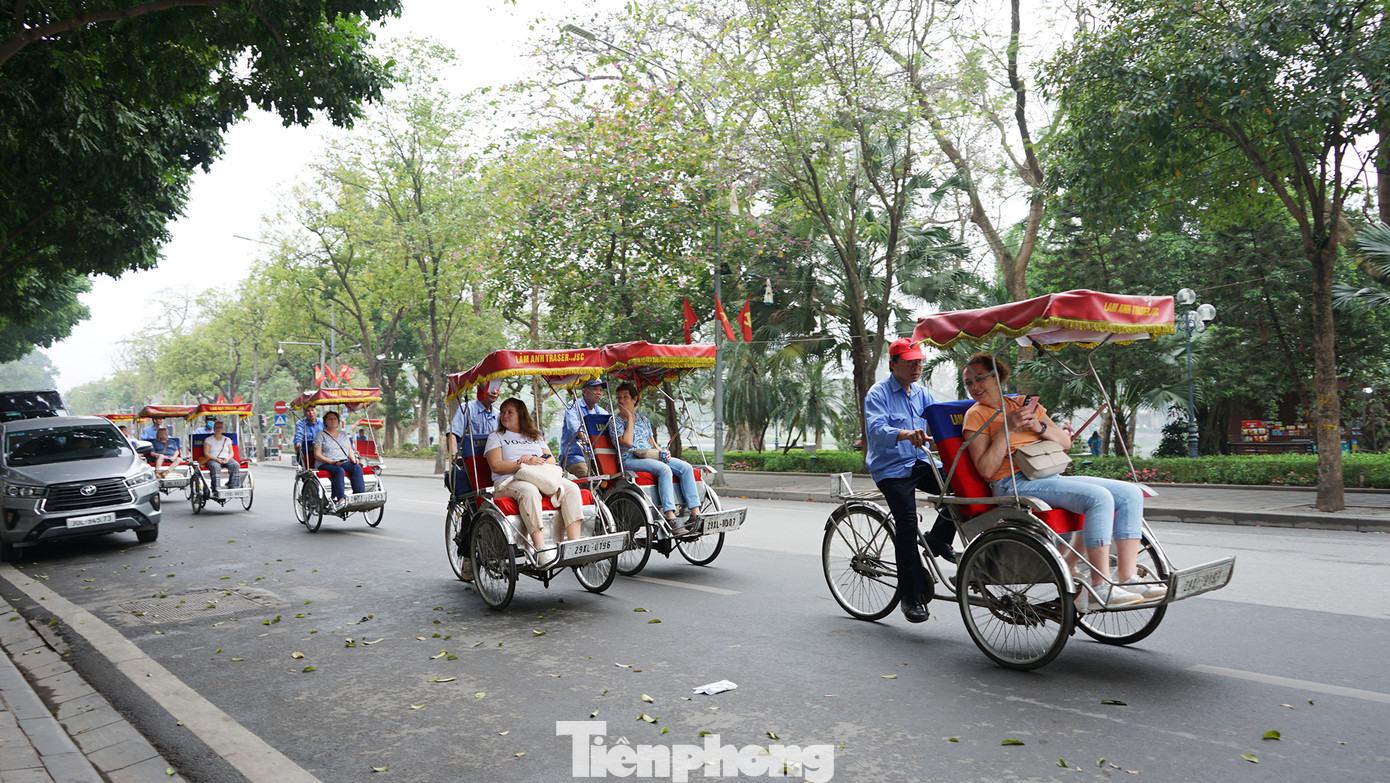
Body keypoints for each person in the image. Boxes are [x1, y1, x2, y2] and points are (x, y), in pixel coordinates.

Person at [960, 352, 1166, 609]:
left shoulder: (1024, 403)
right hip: (1013, 482)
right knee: (1098, 497)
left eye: (980, 379)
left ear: (998, 377)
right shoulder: (976, 415)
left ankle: (1127, 578)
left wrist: (1038, 427)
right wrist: (1006, 430)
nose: (975, 387)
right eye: (969, 383)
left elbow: (1064, 442)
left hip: (1048, 474)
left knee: (1130, 493)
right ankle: (1100, 585)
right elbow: (987, 470)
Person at [864, 337, 958, 625]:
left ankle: (939, 537)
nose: (917, 366)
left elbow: (941, 423)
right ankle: (910, 595)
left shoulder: (923, 395)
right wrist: (906, 434)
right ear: (894, 365)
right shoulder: (878, 394)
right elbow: (877, 429)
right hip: (891, 468)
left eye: (919, 361)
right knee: (906, 524)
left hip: (922, 462)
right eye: (910, 362)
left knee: (963, 488)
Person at [485, 397, 585, 568]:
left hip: (540, 475)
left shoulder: (534, 435)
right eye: (502, 412)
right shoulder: (496, 437)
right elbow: (496, 465)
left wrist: (536, 459)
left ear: (521, 415)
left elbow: (550, 459)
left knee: (572, 488)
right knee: (529, 491)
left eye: (510, 412)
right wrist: (521, 463)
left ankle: (573, 546)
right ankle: (540, 549)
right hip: (510, 480)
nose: (504, 416)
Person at [611, 381, 702, 535]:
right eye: (618, 397)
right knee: (664, 469)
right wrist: (629, 419)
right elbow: (627, 442)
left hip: (649, 456)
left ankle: (695, 514)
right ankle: (670, 516)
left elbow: (652, 444)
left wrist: (663, 452)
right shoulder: (614, 420)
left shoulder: (644, 419)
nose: (621, 400)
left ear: (634, 399)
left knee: (686, 468)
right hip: (630, 460)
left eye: (625, 397)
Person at [446, 380, 501, 495]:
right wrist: (454, 455)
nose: (495, 392)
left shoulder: (499, 415)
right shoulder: (467, 408)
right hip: (472, 465)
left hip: (493, 464)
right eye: (491, 388)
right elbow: (452, 434)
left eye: (497, 388)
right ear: (479, 389)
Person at [314, 410, 365, 512]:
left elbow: (349, 449)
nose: (332, 420)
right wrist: (333, 462)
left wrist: (353, 459)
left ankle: (359, 496)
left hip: (343, 461)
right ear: (325, 422)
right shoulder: (321, 435)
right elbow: (317, 455)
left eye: (334, 418)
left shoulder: (343, 434)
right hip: (326, 463)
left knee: (357, 468)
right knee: (339, 470)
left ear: (338, 421)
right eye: (330, 419)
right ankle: (340, 498)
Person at [560, 379, 608, 478]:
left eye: (600, 390)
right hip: (575, 456)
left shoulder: (602, 412)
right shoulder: (573, 406)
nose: (599, 392)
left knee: (609, 474)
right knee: (585, 475)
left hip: (595, 457)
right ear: (584, 391)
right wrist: (584, 437)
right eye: (595, 389)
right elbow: (574, 427)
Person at [202, 420, 241, 495]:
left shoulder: (227, 439)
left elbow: (231, 452)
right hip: (213, 459)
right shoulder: (208, 440)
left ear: (223, 429)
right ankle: (216, 488)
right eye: (216, 427)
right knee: (216, 467)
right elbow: (206, 453)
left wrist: (228, 458)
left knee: (235, 465)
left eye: (220, 427)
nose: (218, 429)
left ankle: (234, 486)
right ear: (213, 428)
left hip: (226, 458)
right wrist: (217, 459)